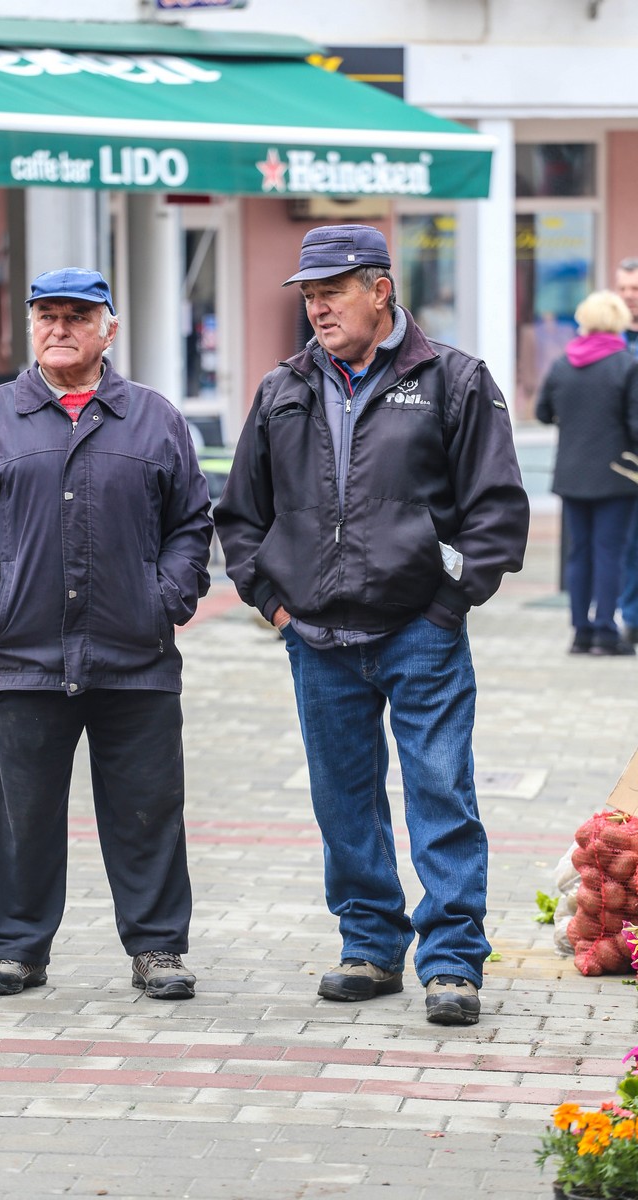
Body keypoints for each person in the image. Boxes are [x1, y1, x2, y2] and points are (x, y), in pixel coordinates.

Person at [214, 224, 530, 1026]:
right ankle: (369, 946)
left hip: (418, 629)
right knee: (343, 799)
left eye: (331, 292)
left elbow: (496, 510)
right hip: (316, 637)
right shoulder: (282, 388)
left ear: (380, 290)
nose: (316, 308)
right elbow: (240, 514)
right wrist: (274, 603)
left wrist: (448, 600)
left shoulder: (454, 379)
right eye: (308, 295)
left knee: (440, 791)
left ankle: (452, 961)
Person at [0, 267, 213, 1000]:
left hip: (135, 656)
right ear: (33, 327)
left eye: (78, 316)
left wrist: (166, 598)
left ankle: (158, 948)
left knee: (147, 810)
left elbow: (191, 524)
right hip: (24, 655)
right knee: (18, 816)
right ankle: (16, 948)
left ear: (108, 329)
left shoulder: (153, 418)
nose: (61, 328)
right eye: (48, 315)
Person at [536, 289, 638, 656]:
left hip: (571, 474)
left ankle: (580, 633)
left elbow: (543, 412)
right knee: (609, 553)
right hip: (617, 475)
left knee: (579, 555)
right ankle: (606, 633)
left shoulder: (564, 363)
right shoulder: (626, 364)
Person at [614, 257, 638, 642]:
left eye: (635, 290)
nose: (629, 297)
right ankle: (630, 618)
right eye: (623, 289)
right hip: (621, 465)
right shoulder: (605, 343)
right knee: (627, 544)